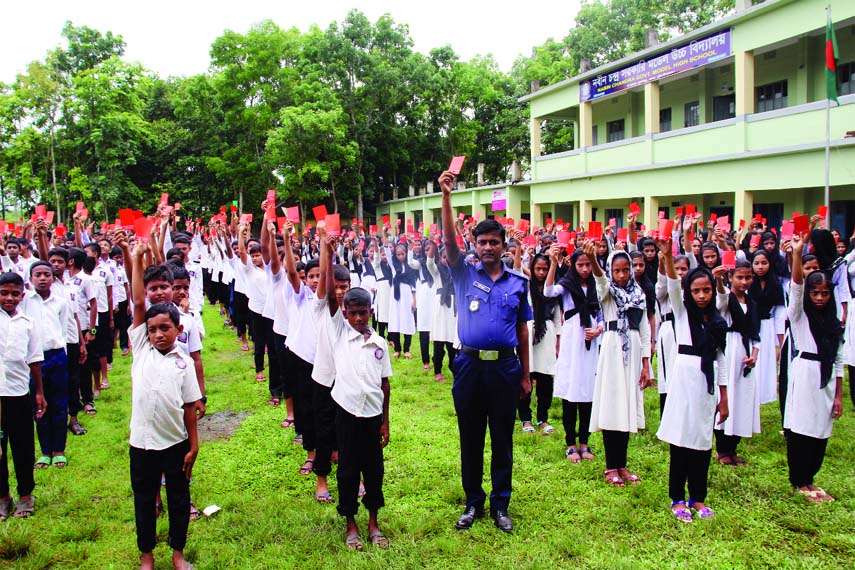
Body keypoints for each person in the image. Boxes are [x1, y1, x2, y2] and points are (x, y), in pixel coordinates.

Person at [439, 170, 532, 533]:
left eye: (495, 242)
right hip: (469, 366)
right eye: (483, 242)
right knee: (471, 437)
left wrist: (525, 373)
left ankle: (501, 505)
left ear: (504, 246)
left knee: (502, 439)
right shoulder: (464, 274)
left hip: (506, 368)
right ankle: (473, 502)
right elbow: (448, 243)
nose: (489, 247)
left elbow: (523, 329)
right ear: (475, 246)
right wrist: (446, 196)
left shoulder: (519, 283)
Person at [128, 241, 200, 570]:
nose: (158, 334)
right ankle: (146, 556)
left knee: (179, 498)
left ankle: (178, 553)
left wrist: (194, 445)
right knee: (144, 499)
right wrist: (137, 258)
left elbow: (189, 407)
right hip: (141, 442)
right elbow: (140, 302)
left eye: (165, 329)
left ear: (178, 330)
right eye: (153, 329)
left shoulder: (183, 361)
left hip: (176, 442)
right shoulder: (141, 345)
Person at [656, 238, 728, 522]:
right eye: (696, 290)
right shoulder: (683, 313)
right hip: (685, 379)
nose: (701, 295)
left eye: (706, 290)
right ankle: (677, 497)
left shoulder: (717, 322)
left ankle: (698, 497)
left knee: (702, 440)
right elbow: (673, 286)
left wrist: (724, 396)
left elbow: (720, 359)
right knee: (681, 441)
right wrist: (668, 257)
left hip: (706, 384)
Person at [585, 242, 651, 488]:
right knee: (613, 406)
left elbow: (644, 331)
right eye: (617, 271)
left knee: (627, 407)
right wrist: (593, 261)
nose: (622, 275)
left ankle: (622, 464)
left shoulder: (639, 295)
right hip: (613, 350)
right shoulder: (608, 293)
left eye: (626, 270)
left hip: (632, 352)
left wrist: (646, 364)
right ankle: (610, 466)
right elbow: (600, 281)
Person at [784, 234, 844, 503]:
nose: (819, 298)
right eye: (815, 293)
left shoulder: (832, 322)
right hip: (805, 372)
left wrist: (839, 393)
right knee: (801, 427)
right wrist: (797, 255)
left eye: (824, 293)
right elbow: (795, 289)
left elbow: (839, 359)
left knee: (821, 427)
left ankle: (810, 478)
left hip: (826, 376)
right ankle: (799, 481)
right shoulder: (799, 315)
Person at [544, 246, 602, 463]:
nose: (585, 269)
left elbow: (602, 312)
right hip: (571, 338)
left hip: (591, 338)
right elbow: (548, 292)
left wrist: (598, 330)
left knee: (587, 391)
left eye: (588, 264)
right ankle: (570, 444)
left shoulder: (597, 286)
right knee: (571, 391)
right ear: (573, 265)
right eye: (581, 265)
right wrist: (552, 263)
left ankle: (585, 442)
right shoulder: (567, 285)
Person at [0, 272, 47, 520]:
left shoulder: (28, 323)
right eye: (4, 293)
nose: (9, 298)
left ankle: (26, 495)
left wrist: (39, 392)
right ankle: (3, 496)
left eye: (14, 293)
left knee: (23, 446)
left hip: (19, 393)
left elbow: (35, 360)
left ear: (22, 294)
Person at [20, 261, 74, 469]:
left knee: (59, 403)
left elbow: (65, 330)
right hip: (34, 358)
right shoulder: (24, 301)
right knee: (39, 404)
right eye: (38, 275)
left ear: (53, 278)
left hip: (57, 355)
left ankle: (59, 449)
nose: (42, 278)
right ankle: (44, 451)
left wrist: (67, 356)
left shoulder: (61, 302)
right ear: (31, 278)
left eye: (46, 274)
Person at [714, 260, 761, 467]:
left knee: (742, 397)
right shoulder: (726, 299)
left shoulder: (752, 303)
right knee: (728, 395)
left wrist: (755, 353)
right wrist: (718, 281)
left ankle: (733, 447)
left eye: (747, 277)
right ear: (731, 277)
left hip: (745, 349)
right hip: (730, 349)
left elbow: (755, 332)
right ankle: (722, 448)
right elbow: (721, 301)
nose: (743, 282)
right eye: (739, 277)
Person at [518, 252, 560, 435]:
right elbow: (517, 269)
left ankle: (543, 418)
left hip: (547, 335)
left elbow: (558, 317)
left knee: (545, 379)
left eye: (545, 268)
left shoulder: (554, 290)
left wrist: (558, 340)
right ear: (532, 269)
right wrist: (519, 247)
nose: (542, 272)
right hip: (528, 333)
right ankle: (525, 418)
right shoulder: (526, 287)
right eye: (538, 268)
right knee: (525, 376)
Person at [426, 244, 458, 382]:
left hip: (454, 307)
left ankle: (454, 368)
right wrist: (433, 244)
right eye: (444, 257)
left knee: (453, 340)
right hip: (441, 305)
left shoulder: (458, 272)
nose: (447, 260)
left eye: (449, 257)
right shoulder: (436, 271)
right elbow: (429, 262)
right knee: (439, 340)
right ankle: (437, 370)